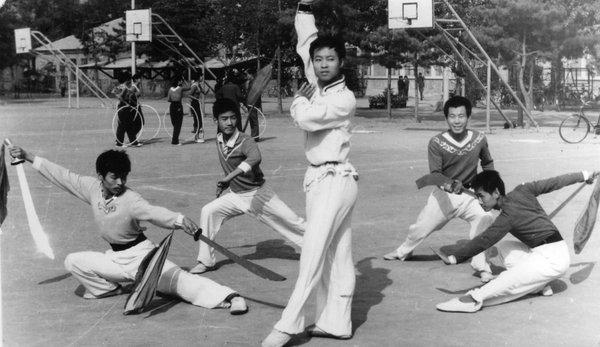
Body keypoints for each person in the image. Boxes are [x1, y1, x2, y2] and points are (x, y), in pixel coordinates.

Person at [7, 145, 249, 315]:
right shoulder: (91, 187)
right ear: (101, 176)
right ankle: (110, 289)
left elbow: (153, 212)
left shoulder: (131, 198)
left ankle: (230, 297)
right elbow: (63, 176)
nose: (120, 183)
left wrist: (180, 219)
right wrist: (28, 156)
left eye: (123, 177)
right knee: (73, 262)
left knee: (180, 282)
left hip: (142, 257)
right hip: (115, 258)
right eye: (114, 177)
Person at [262, 2, 359, 346]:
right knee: (337, 253)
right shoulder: (316, 83)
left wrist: (297, 102)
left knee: (313, 251)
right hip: (319, 179)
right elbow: (306, 44)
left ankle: (288, 325)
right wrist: (303, 10)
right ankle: (337, 322)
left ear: (341, 62)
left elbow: (305, 118)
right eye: (319, 61)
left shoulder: (344, 99)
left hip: (336, 179)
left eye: (329, 59)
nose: (321, 64)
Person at [435, 169, 599, 312]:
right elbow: (554, 182)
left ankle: (473, 300)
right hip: (551, 251)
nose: (478, 201)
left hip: (553, 260)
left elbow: (484, 240)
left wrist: (455, 257)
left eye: (481, 196)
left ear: (496, 193)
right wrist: (584, 175)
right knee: (503, 247)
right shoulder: (523, 190)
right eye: (477, 196)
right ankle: (540, 284)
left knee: (509, 279)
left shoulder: (507, 217)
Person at [383, 96, 496, 283]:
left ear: (468, 117)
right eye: (452, 116)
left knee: (484, 218)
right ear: (446, 118)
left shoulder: (479, 139)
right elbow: (435, 174)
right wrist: (451, 184)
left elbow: (487, 162)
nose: (457, 121)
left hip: (470, 195)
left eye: (461, 116)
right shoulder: (436, 142)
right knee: (421, 227)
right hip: (445, 194)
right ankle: (404, 251)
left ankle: (482, 265)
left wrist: (491, 188)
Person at [190, 98, 305, 274]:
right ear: (216, 121)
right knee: (209, 211)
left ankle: (324, 247)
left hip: (259, 195)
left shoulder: (246, 140)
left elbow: (255, 158)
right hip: (236, 196)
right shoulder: (219, 139)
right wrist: (225, 184)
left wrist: (229, 177)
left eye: (233, 118)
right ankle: (206, 261)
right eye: (224, 119)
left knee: (294, 223)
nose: (229, 122)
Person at [112, 72, 140, 147]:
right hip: (122, 108)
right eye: (130, 79)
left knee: (129, 125)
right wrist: (125, 103)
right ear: (126, 79)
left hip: (126, 108)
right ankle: (119, 143)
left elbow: (118, 94)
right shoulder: (123, 87)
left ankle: (134, 142)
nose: (131, 81)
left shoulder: (124, 87)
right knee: (122, 125)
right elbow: (119, 97)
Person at [167, 76, 190, 145]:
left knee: (174, 124)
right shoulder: (180, 88)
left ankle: (175, 139)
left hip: (172, 106)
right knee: (178, 124)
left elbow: (168, 99)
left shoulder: (170, 89)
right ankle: (174, 141)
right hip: (178, 106)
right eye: (180, 81)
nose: (181, 82)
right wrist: (185, 81)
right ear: (178, 82)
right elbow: (189, 87)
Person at [243, 69, 262, 141]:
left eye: (247, 74)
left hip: (253, 103)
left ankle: (255, 137)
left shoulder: (255, 83)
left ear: (251, 74)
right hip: (250, 103)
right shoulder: (250, 82)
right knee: (251, 120)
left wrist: (258, 105)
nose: (247, 76)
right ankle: (253, 135)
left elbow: (257, 94)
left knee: (254, 120)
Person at [189, 72, 205, 143]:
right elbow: (189, 95)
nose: (202, 78)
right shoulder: (194, 85)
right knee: (197, 120)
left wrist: (205, 91)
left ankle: (197, 136)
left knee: (199, 120)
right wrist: (196, 99)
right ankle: (196, 137)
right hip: (194, 103)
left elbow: (203, 92)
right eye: (201, 76)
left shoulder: (198, 85)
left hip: (197, 103)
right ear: (198, 77)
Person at [131, 73, 145, 138]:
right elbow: (130, 97)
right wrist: (136, 103)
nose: (141, 79)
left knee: (140, 122)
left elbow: (135, 97)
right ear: (136, 79)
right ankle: (132, 136)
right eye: (139, 78)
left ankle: (132, 136)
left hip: (137, 106)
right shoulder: (133, 87)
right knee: (140, 122)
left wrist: (138, 102)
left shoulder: (137, 86)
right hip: (134, 107)